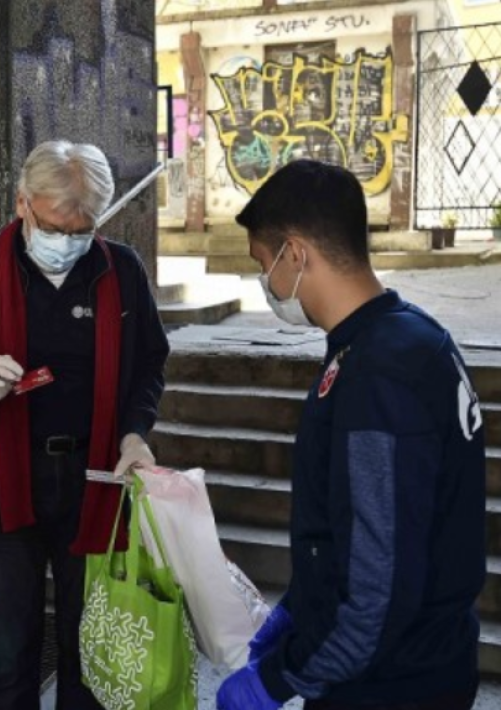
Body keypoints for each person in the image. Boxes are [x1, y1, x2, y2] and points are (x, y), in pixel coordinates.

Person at [0, 140, 169, 709]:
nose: (67, 243)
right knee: (10, 650)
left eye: (81, 230)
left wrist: (136, 431)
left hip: (95, 484)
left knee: (90, 648)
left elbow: (148, 363)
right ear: (22, 203)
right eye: (53, 226)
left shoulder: (121, 273)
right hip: (2, 489)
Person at [217, 159, 486, 710]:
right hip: (420, 662)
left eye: (263, 265)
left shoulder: (379, 376)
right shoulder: (406, 335)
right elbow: (363, 523)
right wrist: (300, 603)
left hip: (391, 684)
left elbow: (377, 596)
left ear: (296, 253)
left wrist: (278, 681)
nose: (265, 284)